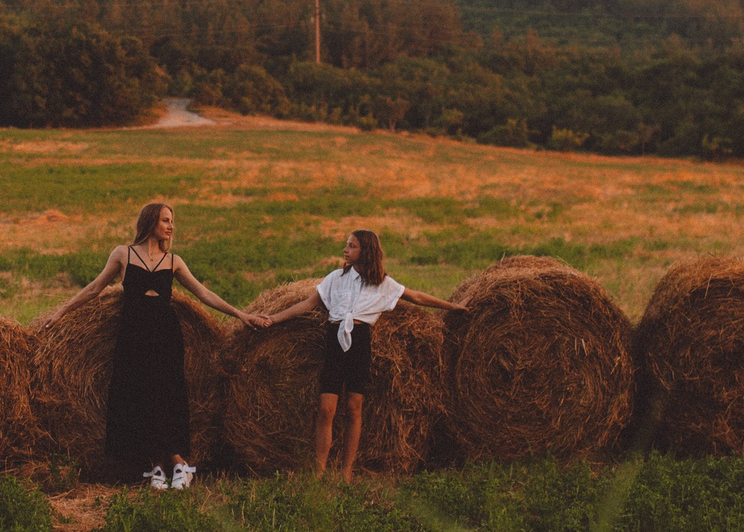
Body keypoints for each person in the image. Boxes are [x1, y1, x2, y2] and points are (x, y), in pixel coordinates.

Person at [46, 201, 258, 490]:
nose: (171, 226)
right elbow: (95, 288)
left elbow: (203, 293)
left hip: (165, 334)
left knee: (166, 396)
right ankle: (156, 467)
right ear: (150, 222)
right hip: (132, 334)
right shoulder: (123, 254)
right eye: (166, 220)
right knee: (136, 396)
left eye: (172, 221)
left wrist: (240, 314)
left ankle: (180, 463)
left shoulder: (174, 261)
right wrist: (61, 311)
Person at [257, 228, 459, 479]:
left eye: (351, 246)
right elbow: (307, 304)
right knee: (326, 409)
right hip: (334, 341)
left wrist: (453, 306)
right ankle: (318, 471)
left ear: (366, 251)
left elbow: (416, 296)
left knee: (354, 408)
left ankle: (346, 471)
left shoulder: (382, 283)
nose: (345, 250)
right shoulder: (335, 278)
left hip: (360, 343)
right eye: (346, 245)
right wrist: (273, 319)